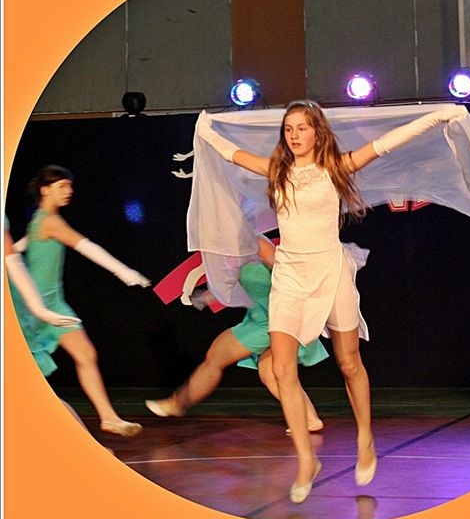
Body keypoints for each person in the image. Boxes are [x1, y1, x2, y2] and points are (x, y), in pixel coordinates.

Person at [196, 99, 469, 503]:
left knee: (348, 362)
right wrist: (204, 129)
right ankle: (306, 460)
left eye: (302, 128)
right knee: (281, 368)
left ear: (317, 132)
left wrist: (438, 115)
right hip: (289, 275)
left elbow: (387, 142)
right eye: (289, 128)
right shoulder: (276, 170)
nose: (294, 135)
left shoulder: (336, 167)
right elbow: (230, 153)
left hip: (330, 271)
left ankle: (365, 437)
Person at [14, 164, 151, 437]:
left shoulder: (43, 220)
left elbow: (18, 247)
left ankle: (109, 418)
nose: (69, 191)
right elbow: (86, 246)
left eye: (70, 186)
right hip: (34, 308)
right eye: (62, 186)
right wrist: (123, 271)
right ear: (45, 190)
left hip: (54, 304)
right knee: (26, 375)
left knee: (85, 354)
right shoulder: (49, 221)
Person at [145, 234, 327, 433]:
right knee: (269, 373)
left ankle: (177, 403)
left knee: (216, 356)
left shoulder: (257, 243)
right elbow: (230, 285)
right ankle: (309, 419)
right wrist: (205, 298)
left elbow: (288, 275)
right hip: (259, 319)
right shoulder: (232, 251)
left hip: (272, 320)